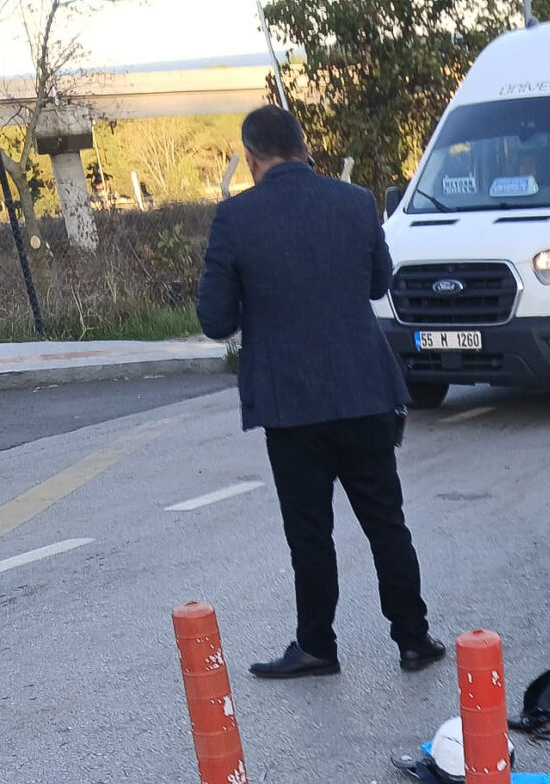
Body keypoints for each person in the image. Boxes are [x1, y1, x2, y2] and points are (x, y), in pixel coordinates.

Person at [196, 105, 443, 680]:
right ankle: (412, 639)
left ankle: (316, 647)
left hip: (290, 406)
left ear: (251, 158)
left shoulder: (235, 218)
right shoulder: (356, 203)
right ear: (306, 149)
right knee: (387, 523)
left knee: (310, 533)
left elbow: (215, 320)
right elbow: (379, 283)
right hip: (365, 391)